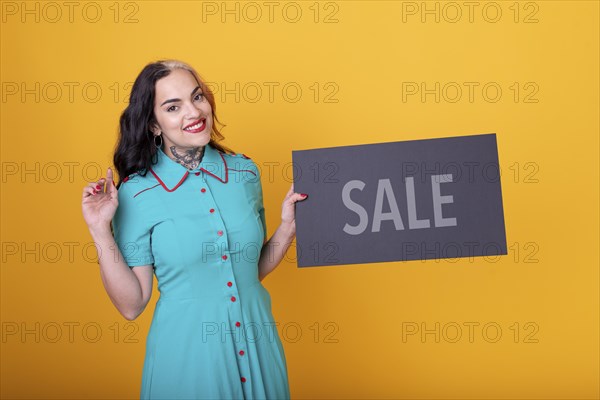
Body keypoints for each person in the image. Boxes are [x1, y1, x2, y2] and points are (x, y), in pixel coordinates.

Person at [81, 59, 308, 399]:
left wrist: (287, 229)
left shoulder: (245, 173)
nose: (193, 112)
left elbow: (248, 270)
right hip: (187, 361)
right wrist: (100, 229)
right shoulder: (136, 193)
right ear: (154, 125)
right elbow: (132, 305)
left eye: (197, 97)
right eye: (173, 107)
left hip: (259, 346)